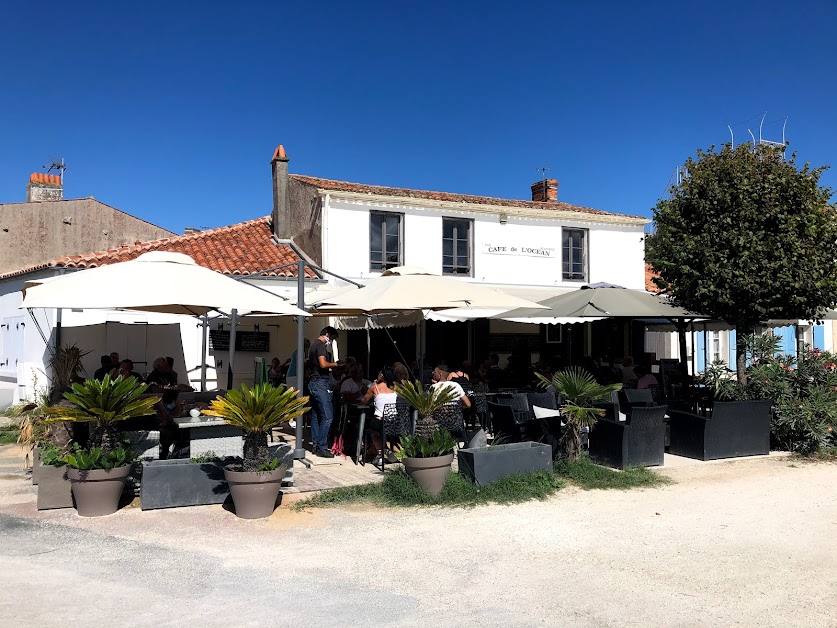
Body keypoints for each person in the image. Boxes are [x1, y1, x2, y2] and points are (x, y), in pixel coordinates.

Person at [307, 327, 342, 458]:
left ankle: (316, 446)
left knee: (316, 416)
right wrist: (336, 364)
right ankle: (322, 446)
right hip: (321, 382)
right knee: (328, 416)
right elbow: (323, 364)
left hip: (313, 382)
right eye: (332, 338)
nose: (331, 341)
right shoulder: (321, 345)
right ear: (328, 334)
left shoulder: (313, 345)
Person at [360, 367, 399, 466]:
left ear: (381, 376)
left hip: (381, 421)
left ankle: (380, 453)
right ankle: (387, 451)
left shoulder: (375, 388)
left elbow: (364, 401)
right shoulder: (395, 388)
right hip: (394, 422)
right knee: (381, 429)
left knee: (372, 430)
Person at [155, 389, 187, 459]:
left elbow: (180, 416)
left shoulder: (178, 405)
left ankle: (173, 452)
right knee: (169, 433)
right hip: (161, 428)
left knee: (179, 431)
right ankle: (165, 452)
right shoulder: (159, 406)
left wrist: (178, 406)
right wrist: (162, 408)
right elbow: (166, 420)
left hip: (173, 427)